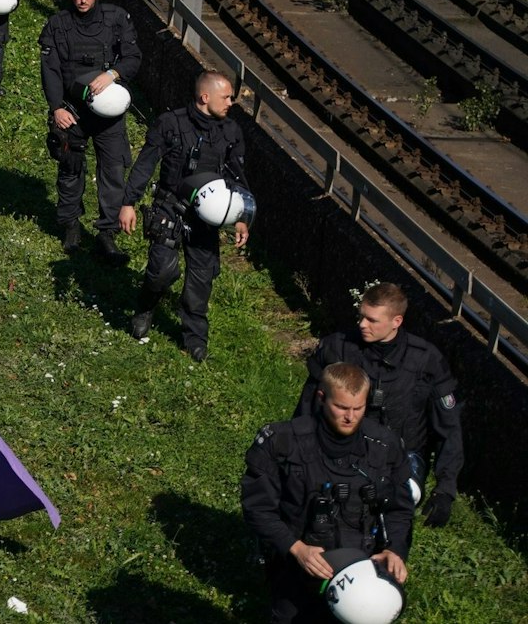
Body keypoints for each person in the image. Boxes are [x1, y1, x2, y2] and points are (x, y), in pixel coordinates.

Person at [242, 362, 413, 623]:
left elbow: (400, 509)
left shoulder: (385, 445)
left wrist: (394, 550)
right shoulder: (282, 442)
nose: (350, 417)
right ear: (321, 398)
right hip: (299, 569)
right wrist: (296, 548)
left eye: (358, 408)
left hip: (363, 574)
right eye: (342, 407)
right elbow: (258, 508)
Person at [296, 283, 463, 528]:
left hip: (401, 455)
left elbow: (449, 429)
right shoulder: (337, 348)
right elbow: (306, 408)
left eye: (372, 320)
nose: (362, 324)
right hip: (340, 447)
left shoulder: (426, 360)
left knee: (398, 499)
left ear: (396, 321)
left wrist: (445, 489)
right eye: (361, 316)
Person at [121, 69, 250, 362]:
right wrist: (128, 202)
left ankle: (195, 338)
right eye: (226, 97)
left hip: (207, 215)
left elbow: (238, 177)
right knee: (162, 271)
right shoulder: (171, 124)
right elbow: (145, 163)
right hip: (170, 206)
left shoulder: (230, 132)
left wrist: (242, 216)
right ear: (205, 97)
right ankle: (145, 307)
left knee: (201, 280)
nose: (231, 102)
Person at [39, 0, 141, 265]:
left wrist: (113, 74)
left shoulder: (117, 20)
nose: (82, 0)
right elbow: (51, 71)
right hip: (72, 110)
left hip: (109, 114)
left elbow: (133, 58)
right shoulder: (58, 25)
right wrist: (56, 107)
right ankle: (71, 225)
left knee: (112, 171)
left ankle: (107, 233)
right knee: (71, 168)